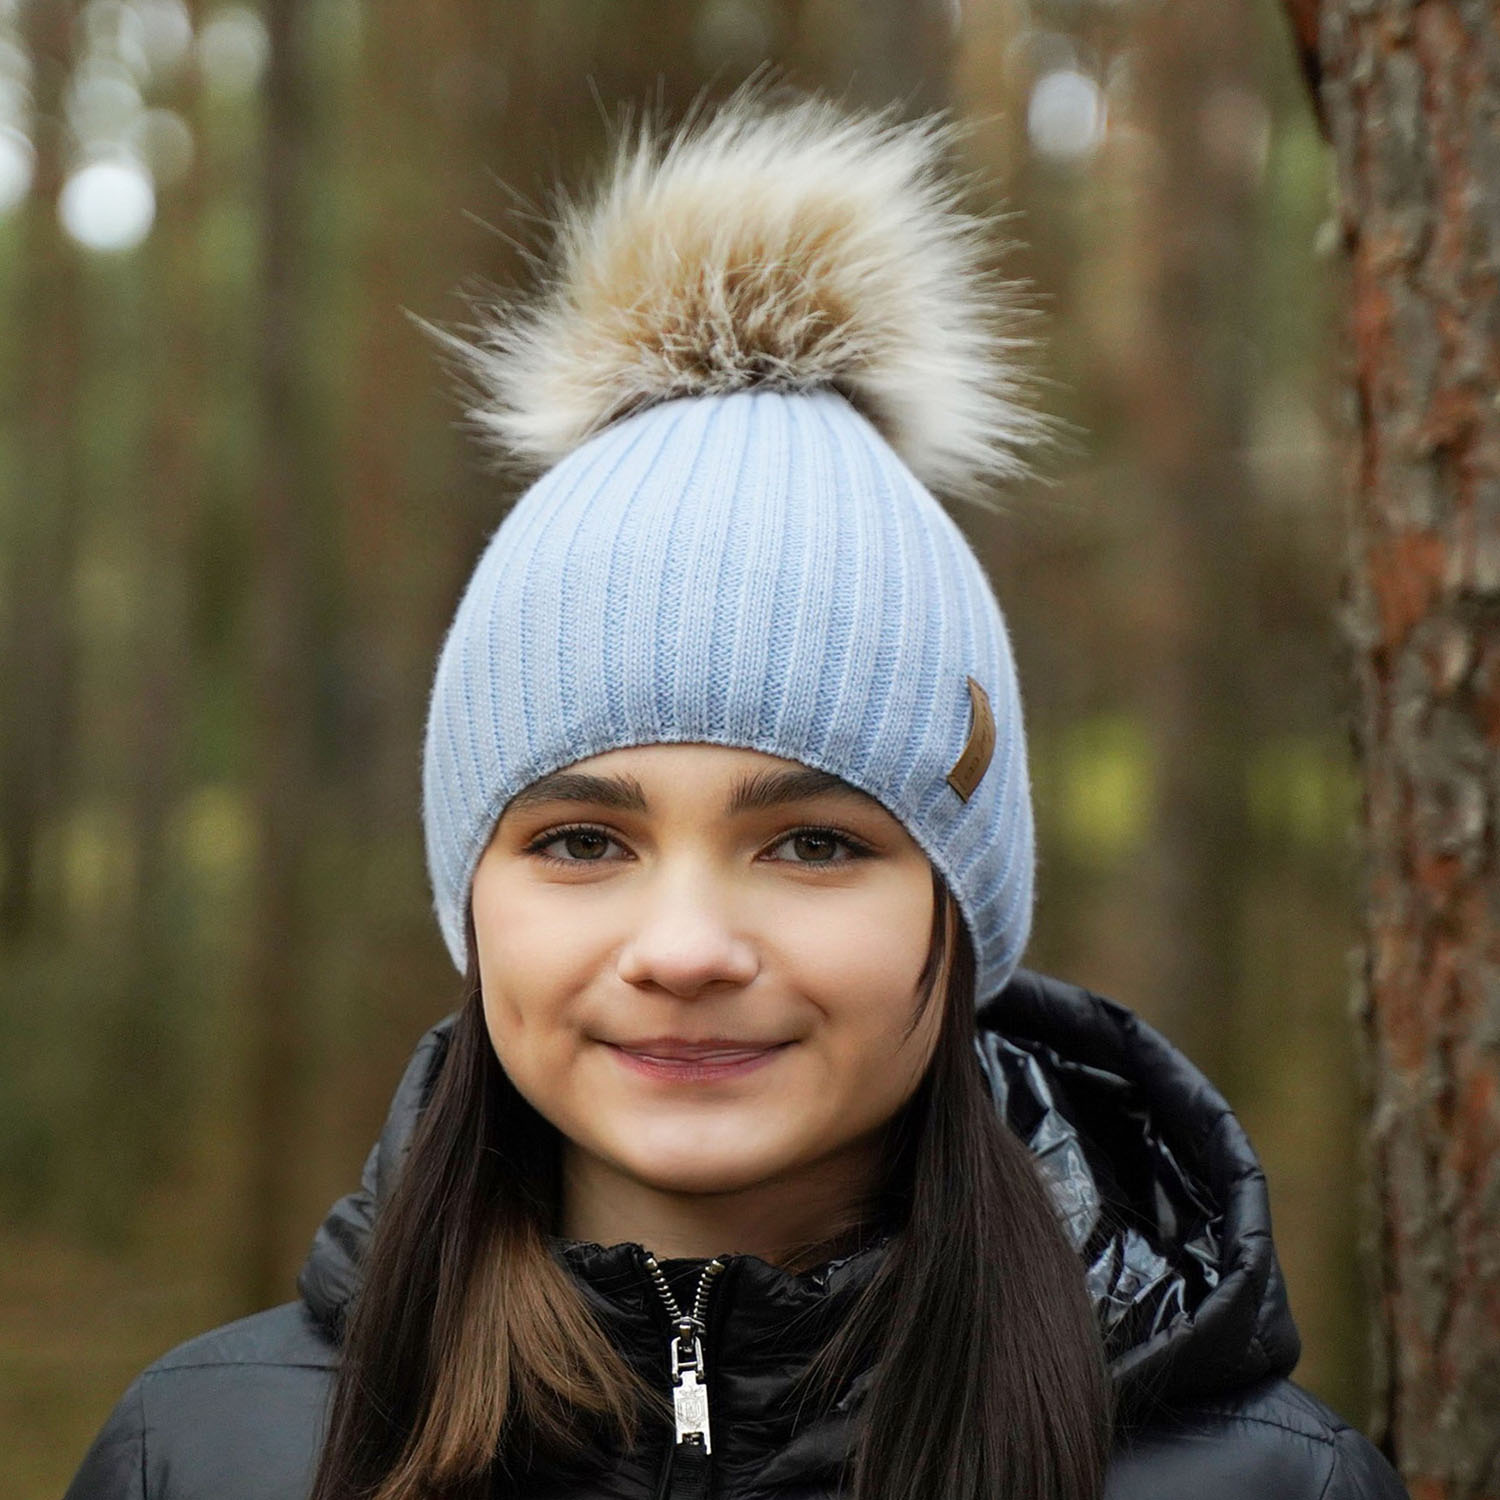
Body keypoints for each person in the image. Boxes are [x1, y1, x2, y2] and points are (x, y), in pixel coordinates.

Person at [64, 87, 1409, 1500]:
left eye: (814, 844)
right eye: (583, 839)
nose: (687, 948)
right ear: (468, 894)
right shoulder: (205, 1456)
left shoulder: (1269, 1484)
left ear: (963, 908)